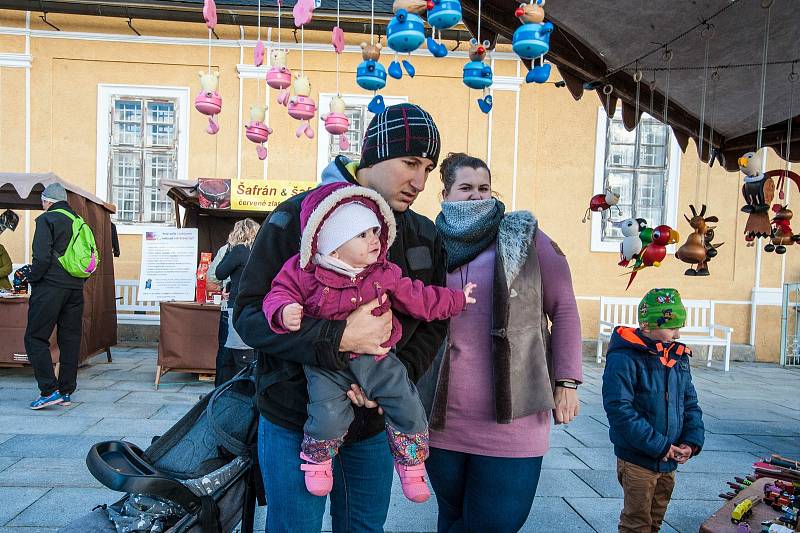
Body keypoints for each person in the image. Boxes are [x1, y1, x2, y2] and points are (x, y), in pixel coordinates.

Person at [233, 102, 446, 533]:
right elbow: (250, 314)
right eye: (409, 162)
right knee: (294, 528)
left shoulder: (424, 233)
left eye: (428, 168)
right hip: (294, 415)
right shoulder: (298, 217)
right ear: (372, 156)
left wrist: (392, 375)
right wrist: (337, 337)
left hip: (373, 421)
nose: (419, 181)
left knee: (364, 528)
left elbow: (435, 321)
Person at [263, 182, 475, 502]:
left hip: (377, 358)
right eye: (363, 235)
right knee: (326, 412)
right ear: (333, 247)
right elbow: (277, 293)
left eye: (375, 232)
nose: (374, 240)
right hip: (326, 363)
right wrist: (282, 311)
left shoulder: (383, 273)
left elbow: (419, 297)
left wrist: (456, 299)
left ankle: (411, 462)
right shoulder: (305, 273)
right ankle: (318, 460)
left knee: (406, 401)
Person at [421, 152, 583, 533]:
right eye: (465, 188)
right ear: (444, 194)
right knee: (452, 519)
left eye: (484, 188)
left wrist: (567, 381)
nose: (477, 197)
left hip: (513, 417)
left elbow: (565, 310)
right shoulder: (428, 241)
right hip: (440, 417)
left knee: (495, 524)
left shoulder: (525, 237)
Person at [602, 288, 704, 533]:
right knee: (636, 523)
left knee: (655, 521)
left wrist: (691, 442)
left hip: (670, 460)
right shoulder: (625, 357)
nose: (677, 334)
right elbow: (619, 409)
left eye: (679, 327)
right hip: (638, 459)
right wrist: (659, 445)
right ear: (647, 326)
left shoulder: (678, 357)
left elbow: (689, 403)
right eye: (672, 327)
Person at [25, 183, 86, 409]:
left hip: (50, 287)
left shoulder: (46, 220)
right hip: (75, 288)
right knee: (70, 340)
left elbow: (40, 259)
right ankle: (66, 391)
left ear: (46, 200)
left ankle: (49, 390)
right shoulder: (79, 221)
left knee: (35, 337)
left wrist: (32, 278)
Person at [214, 218, 259, 385]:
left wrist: (229, 249)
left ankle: (222, 390)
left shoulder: (239, 250)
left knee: (229, 354)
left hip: (236, 306)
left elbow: (219, 272)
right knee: (248, 353)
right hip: (255, 307)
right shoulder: (258, 252)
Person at [209, 241, 230, 387]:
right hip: (254, 305)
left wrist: (224, 284)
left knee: (224, 347)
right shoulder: (261, 245)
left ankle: (220, 387)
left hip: (228, 303)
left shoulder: (226, 249)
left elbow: (213, 275)